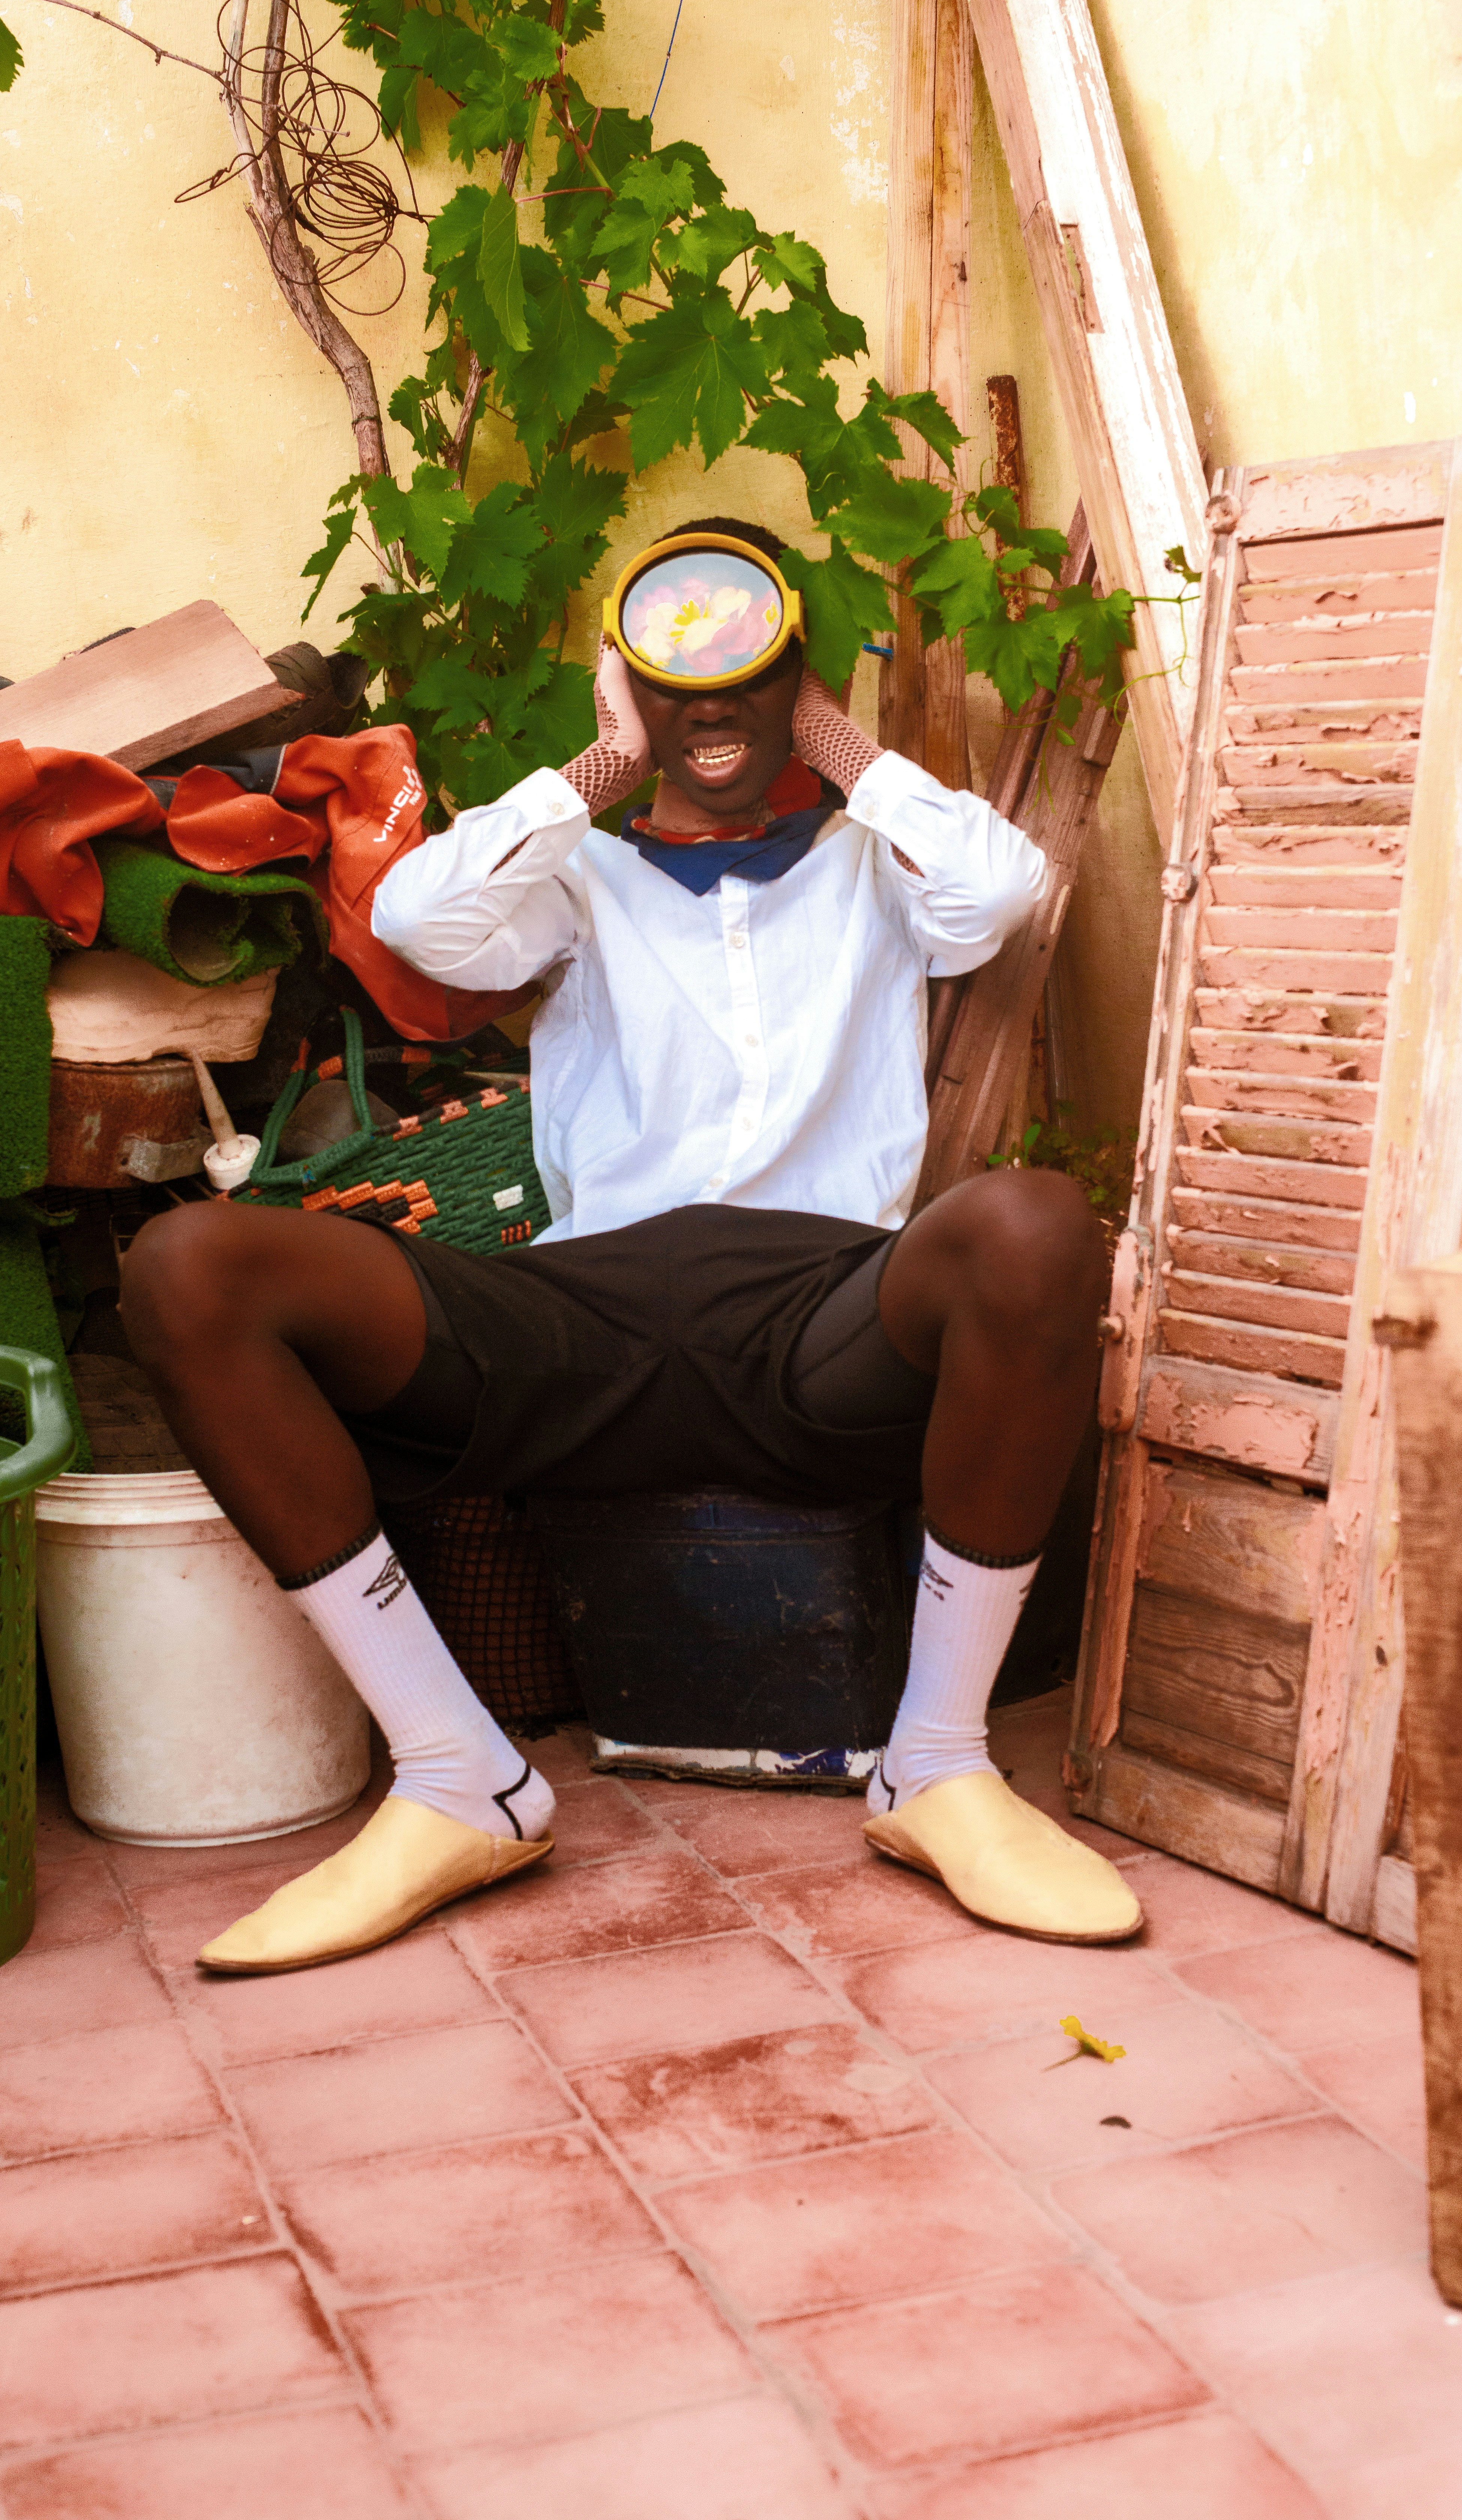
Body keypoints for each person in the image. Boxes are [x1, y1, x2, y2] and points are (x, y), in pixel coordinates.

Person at [121, 516, 1141, 1974]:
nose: (708, 707)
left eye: (747, 669)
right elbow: (418, 914)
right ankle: (455, 1773)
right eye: (674, 677)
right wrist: (599, 769)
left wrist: (839, 742)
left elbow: (1000, 890)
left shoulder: (872, 872)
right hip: (584, 1317)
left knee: (1035, 1221)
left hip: (814, 1316)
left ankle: (937, 1761)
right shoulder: (577, 886)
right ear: (629, 690)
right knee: (190, 1268)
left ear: (798, 678)